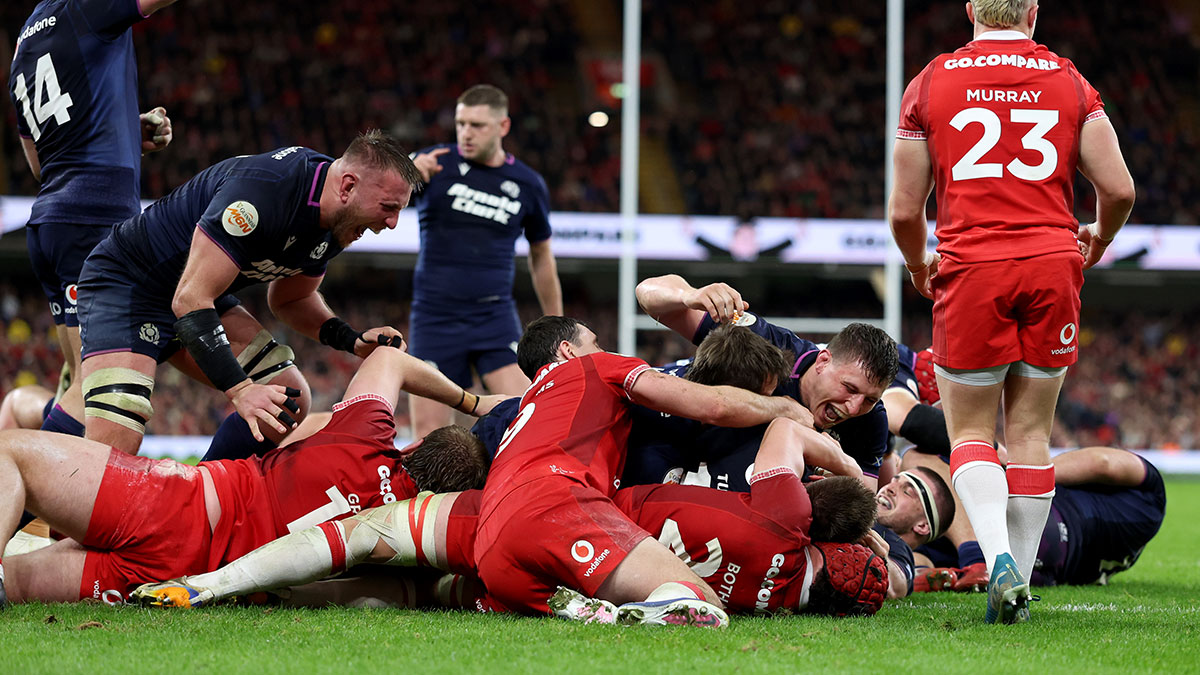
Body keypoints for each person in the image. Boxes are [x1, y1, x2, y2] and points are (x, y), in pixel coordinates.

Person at [888, 0, 1135, 623]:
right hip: (1052, 264)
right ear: (1032, 12)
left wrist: (918, 266)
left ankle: (996, 558)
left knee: (971, 434)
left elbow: (904, 210)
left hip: (973, 267)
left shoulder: (931, 81)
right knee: (1030, 437)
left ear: (972, 10)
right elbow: (1119, 189)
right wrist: (1098, 239)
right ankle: (1019, 581)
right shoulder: (1071, 81)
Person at [133, 417, 889, 619]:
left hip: (571, 514)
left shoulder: (787, 515)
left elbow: (782, 429)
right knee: (419, 595)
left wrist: (847, 464)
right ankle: (270, 595)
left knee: (367, 535)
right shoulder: (776, 604)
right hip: (570, 577)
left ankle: (213, 583)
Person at [0, 346, 498, 609]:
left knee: (10, 453)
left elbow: (387, 359)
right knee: (16, 584)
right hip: (182, 577)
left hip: (176, 505)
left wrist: (472, 403)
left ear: (414, 446)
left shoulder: (366, 435)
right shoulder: (410, 547)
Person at [74, 129, 422, 459]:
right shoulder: (263, 193)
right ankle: (45, 473)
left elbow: (291, 300)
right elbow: (190, 299)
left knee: (287, 402)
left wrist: (351, 339)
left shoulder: (336, 223)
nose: (392, 223)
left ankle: (204, 494)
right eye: (388, 207)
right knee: (116, 443)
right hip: (128, 285)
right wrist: (241, 390)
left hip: (199, 296)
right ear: (348, 186)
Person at [477, 314, 820, 627]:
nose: (603, 350)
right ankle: (646, 603)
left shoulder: (527, 404)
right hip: (555, 506)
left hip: (489, 542)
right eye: (595, 343)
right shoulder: (597, 368)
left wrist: (470, 402)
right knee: (702, 601)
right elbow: (714, 405)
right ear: (568, 351)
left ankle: (591, 608)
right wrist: (782, 407)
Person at [8, 0, 179, 439]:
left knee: (82, 389)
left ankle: (20, 434)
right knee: (101, 397)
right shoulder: (86, 6)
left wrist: (123, 128)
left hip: (53, 224)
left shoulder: (23, 45)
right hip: (95, 222)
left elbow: (41, 164)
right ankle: (19, 473)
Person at [635, 273, 898, 490]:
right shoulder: (762, 342)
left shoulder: (871, 420)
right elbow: (647, 293)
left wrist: (840, 488)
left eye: (870, 399)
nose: (853, 407)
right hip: (651, 427)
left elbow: (864, 496)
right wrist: (688, 294)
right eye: (849, 388)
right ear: (823, 361)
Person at [407, 84, 562, 440]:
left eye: (477, 125)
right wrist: (406, 174)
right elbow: (379, 202)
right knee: (428, 437)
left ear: (503, 126)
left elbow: (541, 255)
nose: (465, 133)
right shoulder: (432, 163)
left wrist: (556, 323)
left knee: (527, 421)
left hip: (493, 318)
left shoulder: (528, 184)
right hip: (434, 317)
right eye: (461, 124)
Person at [907, 446, 1166, 591]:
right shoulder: (1128, 548)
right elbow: (1101, 463)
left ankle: (919, 566)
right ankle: (926, 570)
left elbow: (1102, 461)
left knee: (918, 459)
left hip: (1042, 522)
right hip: (1043, 561)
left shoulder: (1151, 494)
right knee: (945, 545)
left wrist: (1010, 473)